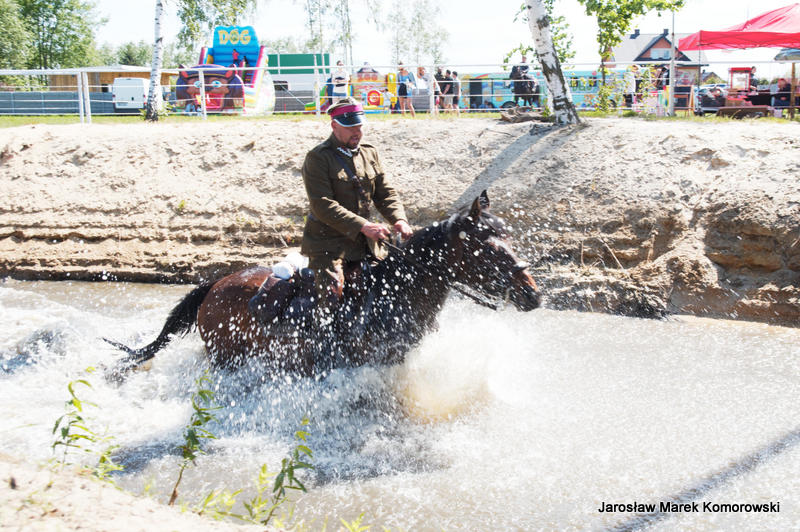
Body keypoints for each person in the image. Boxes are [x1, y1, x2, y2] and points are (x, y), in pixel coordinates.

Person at [300, 97, 413, 309]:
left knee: (398, 284)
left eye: (359, 126)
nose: (357, 132)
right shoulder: (318, 157)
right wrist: (364, 226)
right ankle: (320, 329)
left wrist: (399, 220)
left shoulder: (369, 153)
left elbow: (385, 193)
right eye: (350, 127)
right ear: (334, 126)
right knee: (332, 297)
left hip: (365, 245)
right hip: (328, 246)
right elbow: (322, 205)